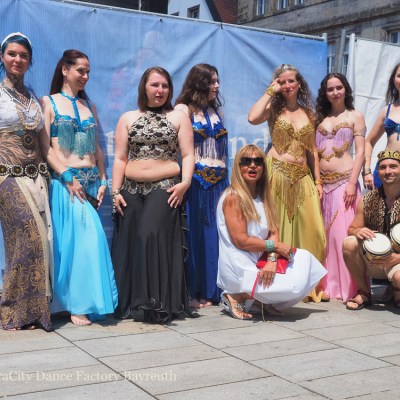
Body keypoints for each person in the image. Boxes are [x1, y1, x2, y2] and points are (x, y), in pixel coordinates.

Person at [111, 66, 196, 324]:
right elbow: (120, 158)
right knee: (130, 242)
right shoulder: (128, 117)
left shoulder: (178, 117)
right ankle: (129, 304)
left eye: (165, 86)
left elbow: (188, 155)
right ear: (144, 87)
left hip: (165, 187)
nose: (160, 90)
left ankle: (154, 303)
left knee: (149, 235)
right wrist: (115, 191)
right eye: (155, 85)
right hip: (130, 189)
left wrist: (185, 183)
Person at [40, 49, 118, 326]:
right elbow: (46, 147)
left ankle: (82, 302)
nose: (85, 76)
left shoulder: (89, 107)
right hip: (66, 184)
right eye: (80, 70)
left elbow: (97, 148)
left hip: (91, 183)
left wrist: (104, 180)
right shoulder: (48, 102)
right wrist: (66, 176)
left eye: (88, 72)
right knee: (81, 243)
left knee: (82, 245)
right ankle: (77, 305)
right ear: (65, 69)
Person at [216, 145, 327, 319]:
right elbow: (241, 241)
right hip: (240, 267)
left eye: (258, 161)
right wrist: (275, 247)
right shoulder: (233, 197)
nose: (253, 165)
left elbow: (273, 230)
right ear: (238, 166)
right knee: (294, 286)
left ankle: (258, 299)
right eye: (246, 161)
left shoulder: (263, 196)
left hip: (261, 261)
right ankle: (237, 295)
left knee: (307, 262)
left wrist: (272, 259)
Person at [248, 64, 327, 302]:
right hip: (277, 173)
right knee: (277, 228)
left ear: (299, 83)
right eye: (282, 82)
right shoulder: (273, 108)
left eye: (291, 81)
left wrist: (318, 180)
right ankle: (279, 284)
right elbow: (252, 118)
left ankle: (308, 285)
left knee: (314, 231)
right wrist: (270, 91)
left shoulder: (309, 113)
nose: (287, 85)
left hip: (303, 177)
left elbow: (312, 151)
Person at [0, 32, 52, 331]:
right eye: (12, 54)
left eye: (23, 56)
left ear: (30, 61)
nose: (17, 59)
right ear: (2, 57)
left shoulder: (32, 96)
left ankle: (32, 312)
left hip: (36, 178)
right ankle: (11, 311)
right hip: (6, 177)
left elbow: (43, 143)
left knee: (35, 242)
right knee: (27, 237)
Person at [175, 64, 228, 308]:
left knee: (216, 235)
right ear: (199, 82)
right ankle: (193, 291)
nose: (217, 86)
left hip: (220, 182)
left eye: (217, 81)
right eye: (212, 81)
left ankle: (213, 290)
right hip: (195, 181)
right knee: (195, 234)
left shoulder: (218, 112)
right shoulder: (183, 110)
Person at [315, 73, 366, 301]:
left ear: (346, 89)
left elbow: (361, 152)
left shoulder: (355, 116)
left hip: (345, 183)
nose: (335, 92)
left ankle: (351, 287)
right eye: (330, 89)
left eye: (339, 87)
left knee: (342, 236)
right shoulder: (319, 118)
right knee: (325, 237)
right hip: (322, 186)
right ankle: (328, 286)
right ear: (325, 93)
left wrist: (353, 183)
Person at [343, 150, 400, 310]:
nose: (387, 171)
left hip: (398, 262)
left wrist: (398, 258)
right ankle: (364, 293)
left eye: (393, 166)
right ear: (378, 172)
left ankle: (396, 290)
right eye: (383, 167)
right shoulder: (368, 198)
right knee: (349, 243)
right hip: (375, 260)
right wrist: (357, 231)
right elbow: (352, 228)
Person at [363, 63, 400, 189]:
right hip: (386, 172)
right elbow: (369, 141)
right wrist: (366, 171)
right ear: (393, 80)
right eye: (399, 76)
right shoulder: (387, 111)